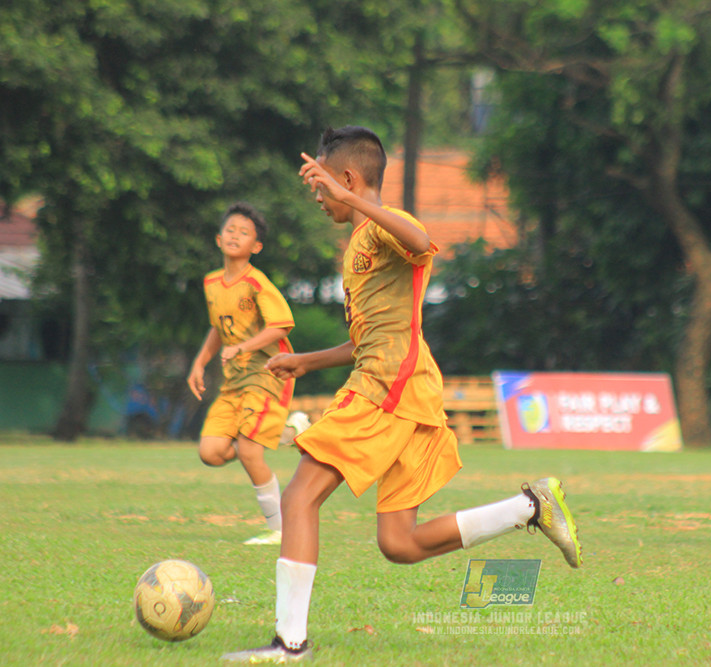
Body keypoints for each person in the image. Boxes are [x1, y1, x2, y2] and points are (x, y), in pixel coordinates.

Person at [221, 126, 582, 663]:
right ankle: (529, 507)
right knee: (399, 544)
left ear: (348, 178)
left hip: (387, 387)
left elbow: (420, 241)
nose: (319, 199)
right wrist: (308, 360)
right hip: (406, 384)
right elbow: (372, 336)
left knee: (299, 498)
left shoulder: (385, 226)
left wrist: (349, 200)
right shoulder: (358, 242)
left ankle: (289, 645)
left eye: (323, 187)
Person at [187, 202, 296, 546]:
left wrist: (243, 348)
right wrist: (199, 362)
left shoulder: (256, 283)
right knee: (211, 452)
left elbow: (281, 325)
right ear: (219, 239)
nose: (236, 235)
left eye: (244, 232)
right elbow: (218, 328)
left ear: (256, 246)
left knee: (249, 451)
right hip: (234, 381)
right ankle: (288, 432)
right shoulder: (212, 283)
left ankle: (279, 529)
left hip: (267, 373)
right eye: (230, 230)